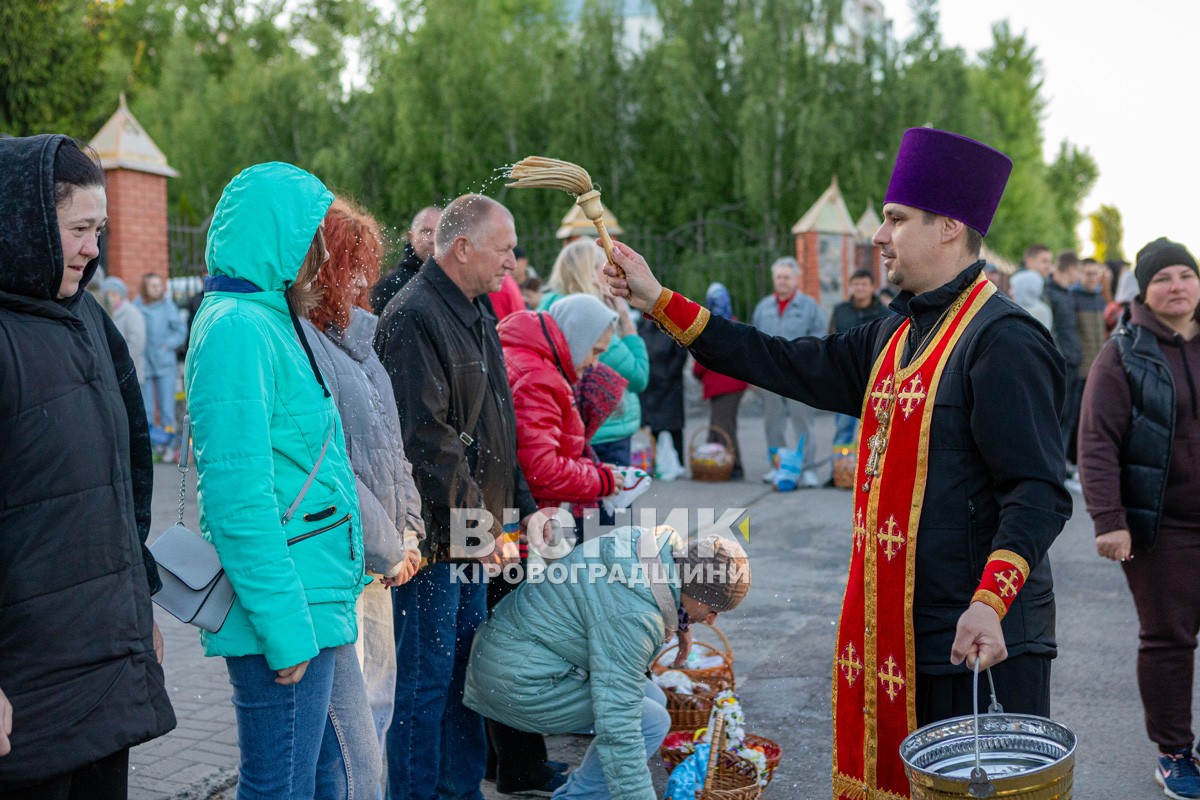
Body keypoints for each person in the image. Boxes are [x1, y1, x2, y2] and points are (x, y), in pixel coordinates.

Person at [604, 127, 1070, 800]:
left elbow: (1038, 492)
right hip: (897, 630)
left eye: (895, 219)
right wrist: (656, 299)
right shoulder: (894, 332)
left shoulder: (1005, 341)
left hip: (977, 635)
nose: (879, 236)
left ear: (948, 227)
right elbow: (776, 359)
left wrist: (990, 603)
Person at [185, 162, 372, 800]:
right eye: (313, 239)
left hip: (305, 592)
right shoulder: (238, 326)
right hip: (286, 604)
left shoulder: (265, 316)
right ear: (281, 237)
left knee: (316, 778)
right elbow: (237, 498)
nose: (321, 256)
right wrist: (285, 627)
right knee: (280, 784)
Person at [0, 135, 176, 797]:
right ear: (22, 222)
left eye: (99, 230)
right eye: (77, 229)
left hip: (106, 666)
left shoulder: (90, 320)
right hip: (25, 690)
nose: (92, 248)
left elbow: (129, 481)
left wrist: (141, 608)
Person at [375, 194, 539, 800]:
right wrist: (484, 528)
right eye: (504, 249)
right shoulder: (414, 315)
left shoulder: (476, 309)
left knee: (467, 677)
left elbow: (500, 424)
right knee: (425, 684)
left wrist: (517, 513)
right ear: (462, 247)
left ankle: (460, 791)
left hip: (474, 537)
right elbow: (427, 442)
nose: (513, 262)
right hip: (435, 543)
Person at [463, 528, 751, 800]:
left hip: (512, 651)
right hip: (515, 682)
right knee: (650, 721)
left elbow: (667, 595)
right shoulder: (634, 616)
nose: (713, 620)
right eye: (714, 609)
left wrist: (682, 624)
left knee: (654, 697)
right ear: (695, 591)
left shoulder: (642, 547)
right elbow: (619, 726)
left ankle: (580, 790)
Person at [302, 197, 426, 796]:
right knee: (347, 745)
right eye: (356, 261)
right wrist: (387, 546)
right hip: (342, 561)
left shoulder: (360, 344)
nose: (366, 277)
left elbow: (390, 449)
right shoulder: (306, 346)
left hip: (379, 561)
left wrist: (411, 531)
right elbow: (337, 466)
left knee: (374, 715)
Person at [1078, 237, 1200, 800]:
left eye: (1186, 274)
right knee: (1169, 638)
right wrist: (1109, 519)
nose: (1177, 285)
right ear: (1145, 291)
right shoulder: (1123, 352)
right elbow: (1097, 442)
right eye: (1163, 279)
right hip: (1160, 526)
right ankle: (1175, 754)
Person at [490, 294, 627, 795]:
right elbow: (540, 466)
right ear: (575, 337)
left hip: (518, 525)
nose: (594, 363)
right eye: (594, 351)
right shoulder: (540, 374)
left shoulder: (535, 361)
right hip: (524, 529)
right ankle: (520, 769)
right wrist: (605, 480)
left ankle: (506, 762)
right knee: (522, 651)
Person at [540, 240, 649, 517]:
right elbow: (638, 375)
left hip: (584, 429)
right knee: (603, 526)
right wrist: (625, 318)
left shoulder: (550, 306)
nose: (611, 273)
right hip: (604, 433)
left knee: (585, 522)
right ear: (588, 273)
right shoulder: (589, 319)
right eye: (604, 267)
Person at [750, 256, 826, 487]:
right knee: (772, 423)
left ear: (796, 280)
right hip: (769, 375)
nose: (782, 281)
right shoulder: (763, 307)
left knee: (803, 422)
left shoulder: (809, 306)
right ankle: (777, 467)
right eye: (779, 277)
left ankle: (807, 469)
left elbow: (820, 336)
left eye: (786, 277)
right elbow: (753, 339)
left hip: (799, 375)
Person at [828, 268, 890, 458]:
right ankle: (839, 470)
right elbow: (831, 339)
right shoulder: (840, 311)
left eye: (864, 284)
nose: (860, 288)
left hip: (876, 379)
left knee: (875, 428)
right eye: (856, 284)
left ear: (873, 287)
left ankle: (871, 471)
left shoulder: (885, 313)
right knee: (843, 427)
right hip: (846, 378)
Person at [693, 283, 750, 480]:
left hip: (723, 385)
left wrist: (698, 373)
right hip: (735, 384)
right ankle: (712, 464)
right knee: (719, 423)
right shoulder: (734, 323)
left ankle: (734, 467)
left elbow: (702, 359)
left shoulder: (710, 325)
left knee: (724, 425)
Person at [136, 271, 187, 455]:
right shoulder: (137, 305)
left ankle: (170, 446)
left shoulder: (168, 305)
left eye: (159, 285)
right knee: (147, 408)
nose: (157, 289)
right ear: (145, 288)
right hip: (146, 364)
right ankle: (150, 447)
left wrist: (168, 345)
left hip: (165, 364)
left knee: (166, 408)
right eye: (153, 286)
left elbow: (180, 330)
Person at [638, 305, 689, 476]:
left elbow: (681, 354)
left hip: (670, 386)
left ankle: (679, 464)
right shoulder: (644, 329)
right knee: (654, 426)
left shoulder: (672, 329)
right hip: (651, 386)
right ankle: (655, 462)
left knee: (674, 426)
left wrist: (668, 375)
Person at [1046, 252, 1084, 478]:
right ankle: (1054, 469)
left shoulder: (1068, 294)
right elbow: (1053, 331)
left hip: (1074, 362)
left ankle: (1060, 466)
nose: (1079, 276)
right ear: (1070, 269)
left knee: (1070, 416)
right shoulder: (1050, 294)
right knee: (1058, 416)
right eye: (1079, 270)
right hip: (1061, 363)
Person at [369, 205, 441, 315]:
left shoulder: (456, 281)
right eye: (426, 231)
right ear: (412, 237)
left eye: (439, 232)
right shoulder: (389, 284)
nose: (432, 239)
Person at [102, 276, 147, 383]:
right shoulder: (103, 313)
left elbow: (137, 343)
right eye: (107, 294)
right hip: (111, 372)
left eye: (114, 294)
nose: (110, 297)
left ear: (120, 295)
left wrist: (118, 359)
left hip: (130, 370)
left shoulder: (131, 313)